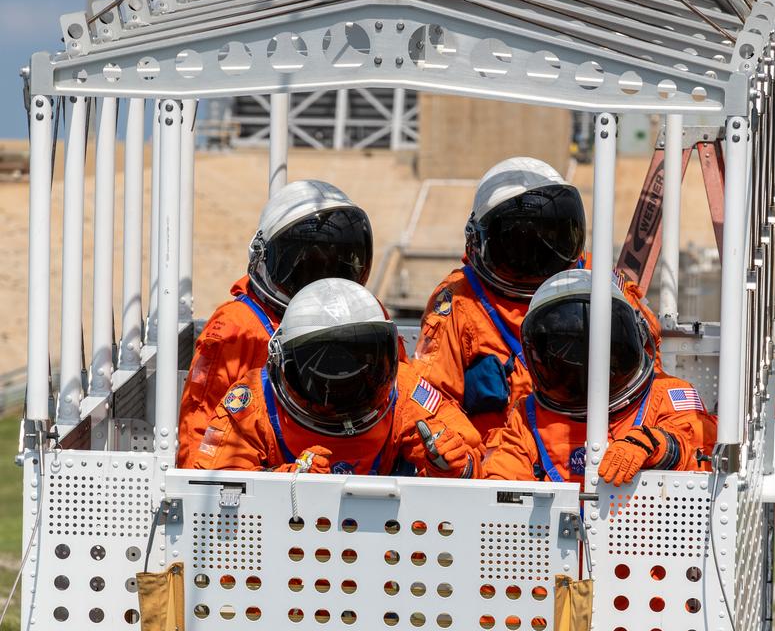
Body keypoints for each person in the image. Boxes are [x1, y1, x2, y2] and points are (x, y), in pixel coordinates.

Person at [413, 157, 660, 442]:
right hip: (496, 462)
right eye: (520, 241)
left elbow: (646, 371)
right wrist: (468, 456)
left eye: (551, 238)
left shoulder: (598, 284)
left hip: (598, 448)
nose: (537, 252)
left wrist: (645, 444)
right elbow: (429, 395)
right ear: (480, 241)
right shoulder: (460, 299)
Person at [193, 279, 484, 477]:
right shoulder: (255, 403)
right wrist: (282, 483)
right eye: (327, 365)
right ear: (282, 361)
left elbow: (476, 459)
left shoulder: (406, 392)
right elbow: (213, 486)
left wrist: (458, 467)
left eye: (357, 360)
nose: (344, 381)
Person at [177, 180, 374, 468]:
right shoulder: (238, 330)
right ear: (264, 256)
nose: (324, 282)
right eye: (308, 267)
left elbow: (400, 399)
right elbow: (202, 449)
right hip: (281, 495)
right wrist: (280, 478)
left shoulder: (363, 315)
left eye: (338, 265)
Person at [484, 269, 716, 485]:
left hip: (646, 527)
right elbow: (501, 480)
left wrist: (657, 445)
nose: (582, 363)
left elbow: (702, 451)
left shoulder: (666, 394)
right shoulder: (529, 416)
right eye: (569, 351)